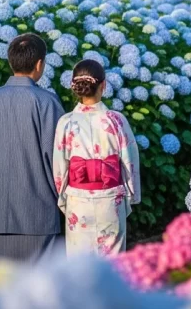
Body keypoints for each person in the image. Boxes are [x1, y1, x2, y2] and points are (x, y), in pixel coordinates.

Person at [0, 33, 66, 262]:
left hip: (2, 208)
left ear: (11, 62)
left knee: (7, 281)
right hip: (40, 209)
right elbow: (59, 157)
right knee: (41, 282)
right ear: (40, 64)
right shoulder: (47, 101)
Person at [52, 59, 140, 256]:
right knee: (113, 262)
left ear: (75, 87)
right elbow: (129, 160)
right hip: (110, 198)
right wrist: (131, 194)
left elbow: (59, 168)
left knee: (79, 262)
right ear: (104, 85)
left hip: (78, 197)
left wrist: (64, 194)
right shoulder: (116, 120)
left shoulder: (66, 122)